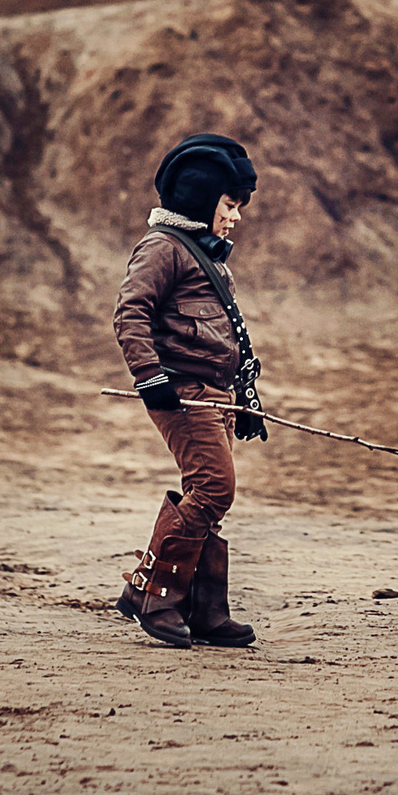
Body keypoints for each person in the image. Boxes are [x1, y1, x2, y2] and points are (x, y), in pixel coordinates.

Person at [111, 132, 268, 649]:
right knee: (215, 487)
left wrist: (244, 398)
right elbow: (130, 313)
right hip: (183, 393)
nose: (236, 217)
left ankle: (205, 611)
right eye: (229, 205)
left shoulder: (206, 254)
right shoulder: (163, 248)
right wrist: (151, 379)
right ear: (201, 200)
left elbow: (222, 334)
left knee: (207, 493)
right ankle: (150, 593)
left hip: (217, 394)